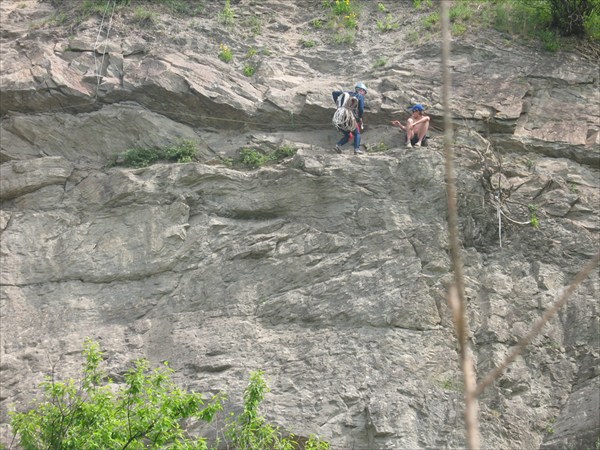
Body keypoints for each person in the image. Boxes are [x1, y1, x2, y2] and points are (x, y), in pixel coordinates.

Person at [332, 82, 367, 155]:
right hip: (349, 116)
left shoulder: (347, 93)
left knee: (348, 136)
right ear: (361, 90)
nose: (364, 94)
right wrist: (360, 117)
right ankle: (356, 149)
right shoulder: (359, 96)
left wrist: (339, 105)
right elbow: (361, 109)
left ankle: (337, 145)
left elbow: (334, 93)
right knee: (357, 133)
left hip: (339, 116)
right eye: (364, 92)